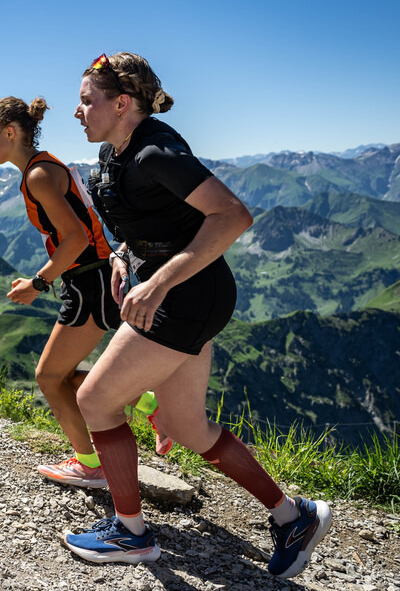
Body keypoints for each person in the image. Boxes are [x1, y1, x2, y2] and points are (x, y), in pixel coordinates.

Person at [63, 52, 331, 578]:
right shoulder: (119, 152)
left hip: (183, 297)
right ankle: (291, 517)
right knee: (187, 425)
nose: (78, 110)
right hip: (192, 295)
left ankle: (130, 532)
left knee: (94, 398)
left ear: (121, 103)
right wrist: (124, 256)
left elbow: (233, 215)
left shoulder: (154, 152)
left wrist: (158, 282)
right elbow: (155, 223)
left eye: (86, 100)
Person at [0, 95, 134, 490]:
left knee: (48, 377)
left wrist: (39, 283)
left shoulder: (38, 175)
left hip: (88, 281)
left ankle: (90, 466)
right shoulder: (45, 165)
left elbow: (75, 237)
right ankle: (146, 402)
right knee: (61, 375)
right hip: (92, 278)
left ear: (10, 133)